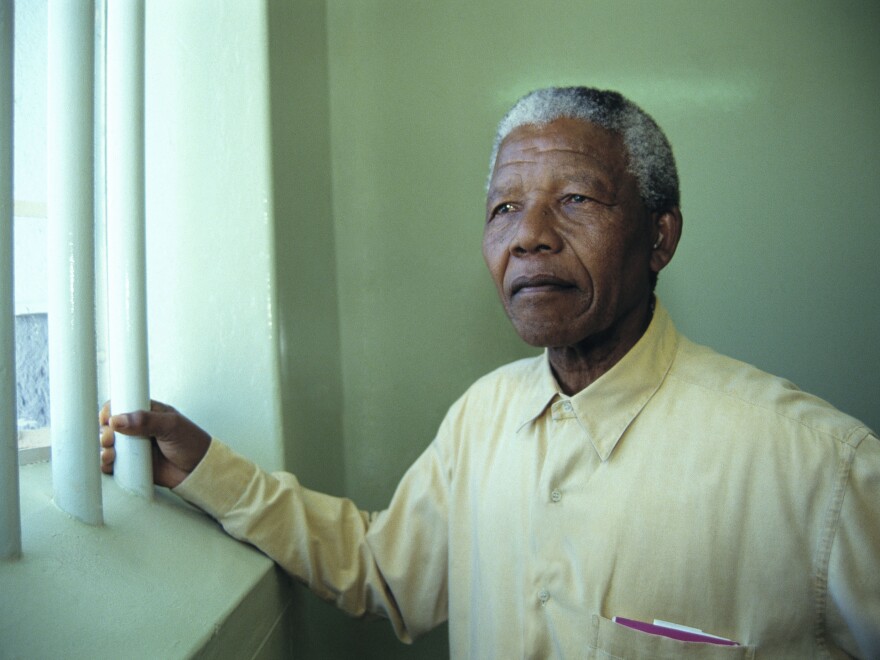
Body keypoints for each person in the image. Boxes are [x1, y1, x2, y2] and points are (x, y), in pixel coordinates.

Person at [100, 87, 879, 658]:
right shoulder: (481, 415)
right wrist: (207, 470)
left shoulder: (821, 468)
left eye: (575, 198)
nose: (529, 237)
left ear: (660, 237)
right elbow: (383, 570)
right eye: (504, 209)